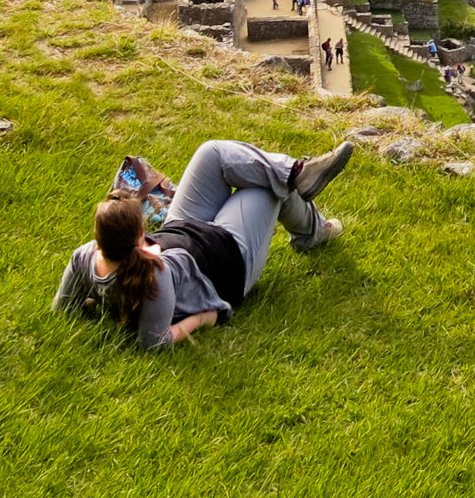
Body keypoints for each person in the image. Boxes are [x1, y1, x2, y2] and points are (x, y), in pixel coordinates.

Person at [53, 139, 351, 351]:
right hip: (232, 259)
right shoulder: (154, 275)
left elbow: (62, 310)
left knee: (212, 153)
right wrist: (202, 318)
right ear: (139, 234)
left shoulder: (84, 257)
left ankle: (297, 172)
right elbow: (155, 342)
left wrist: (98, 299)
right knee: (269, 186)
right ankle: (312, 230)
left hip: (183, 225)